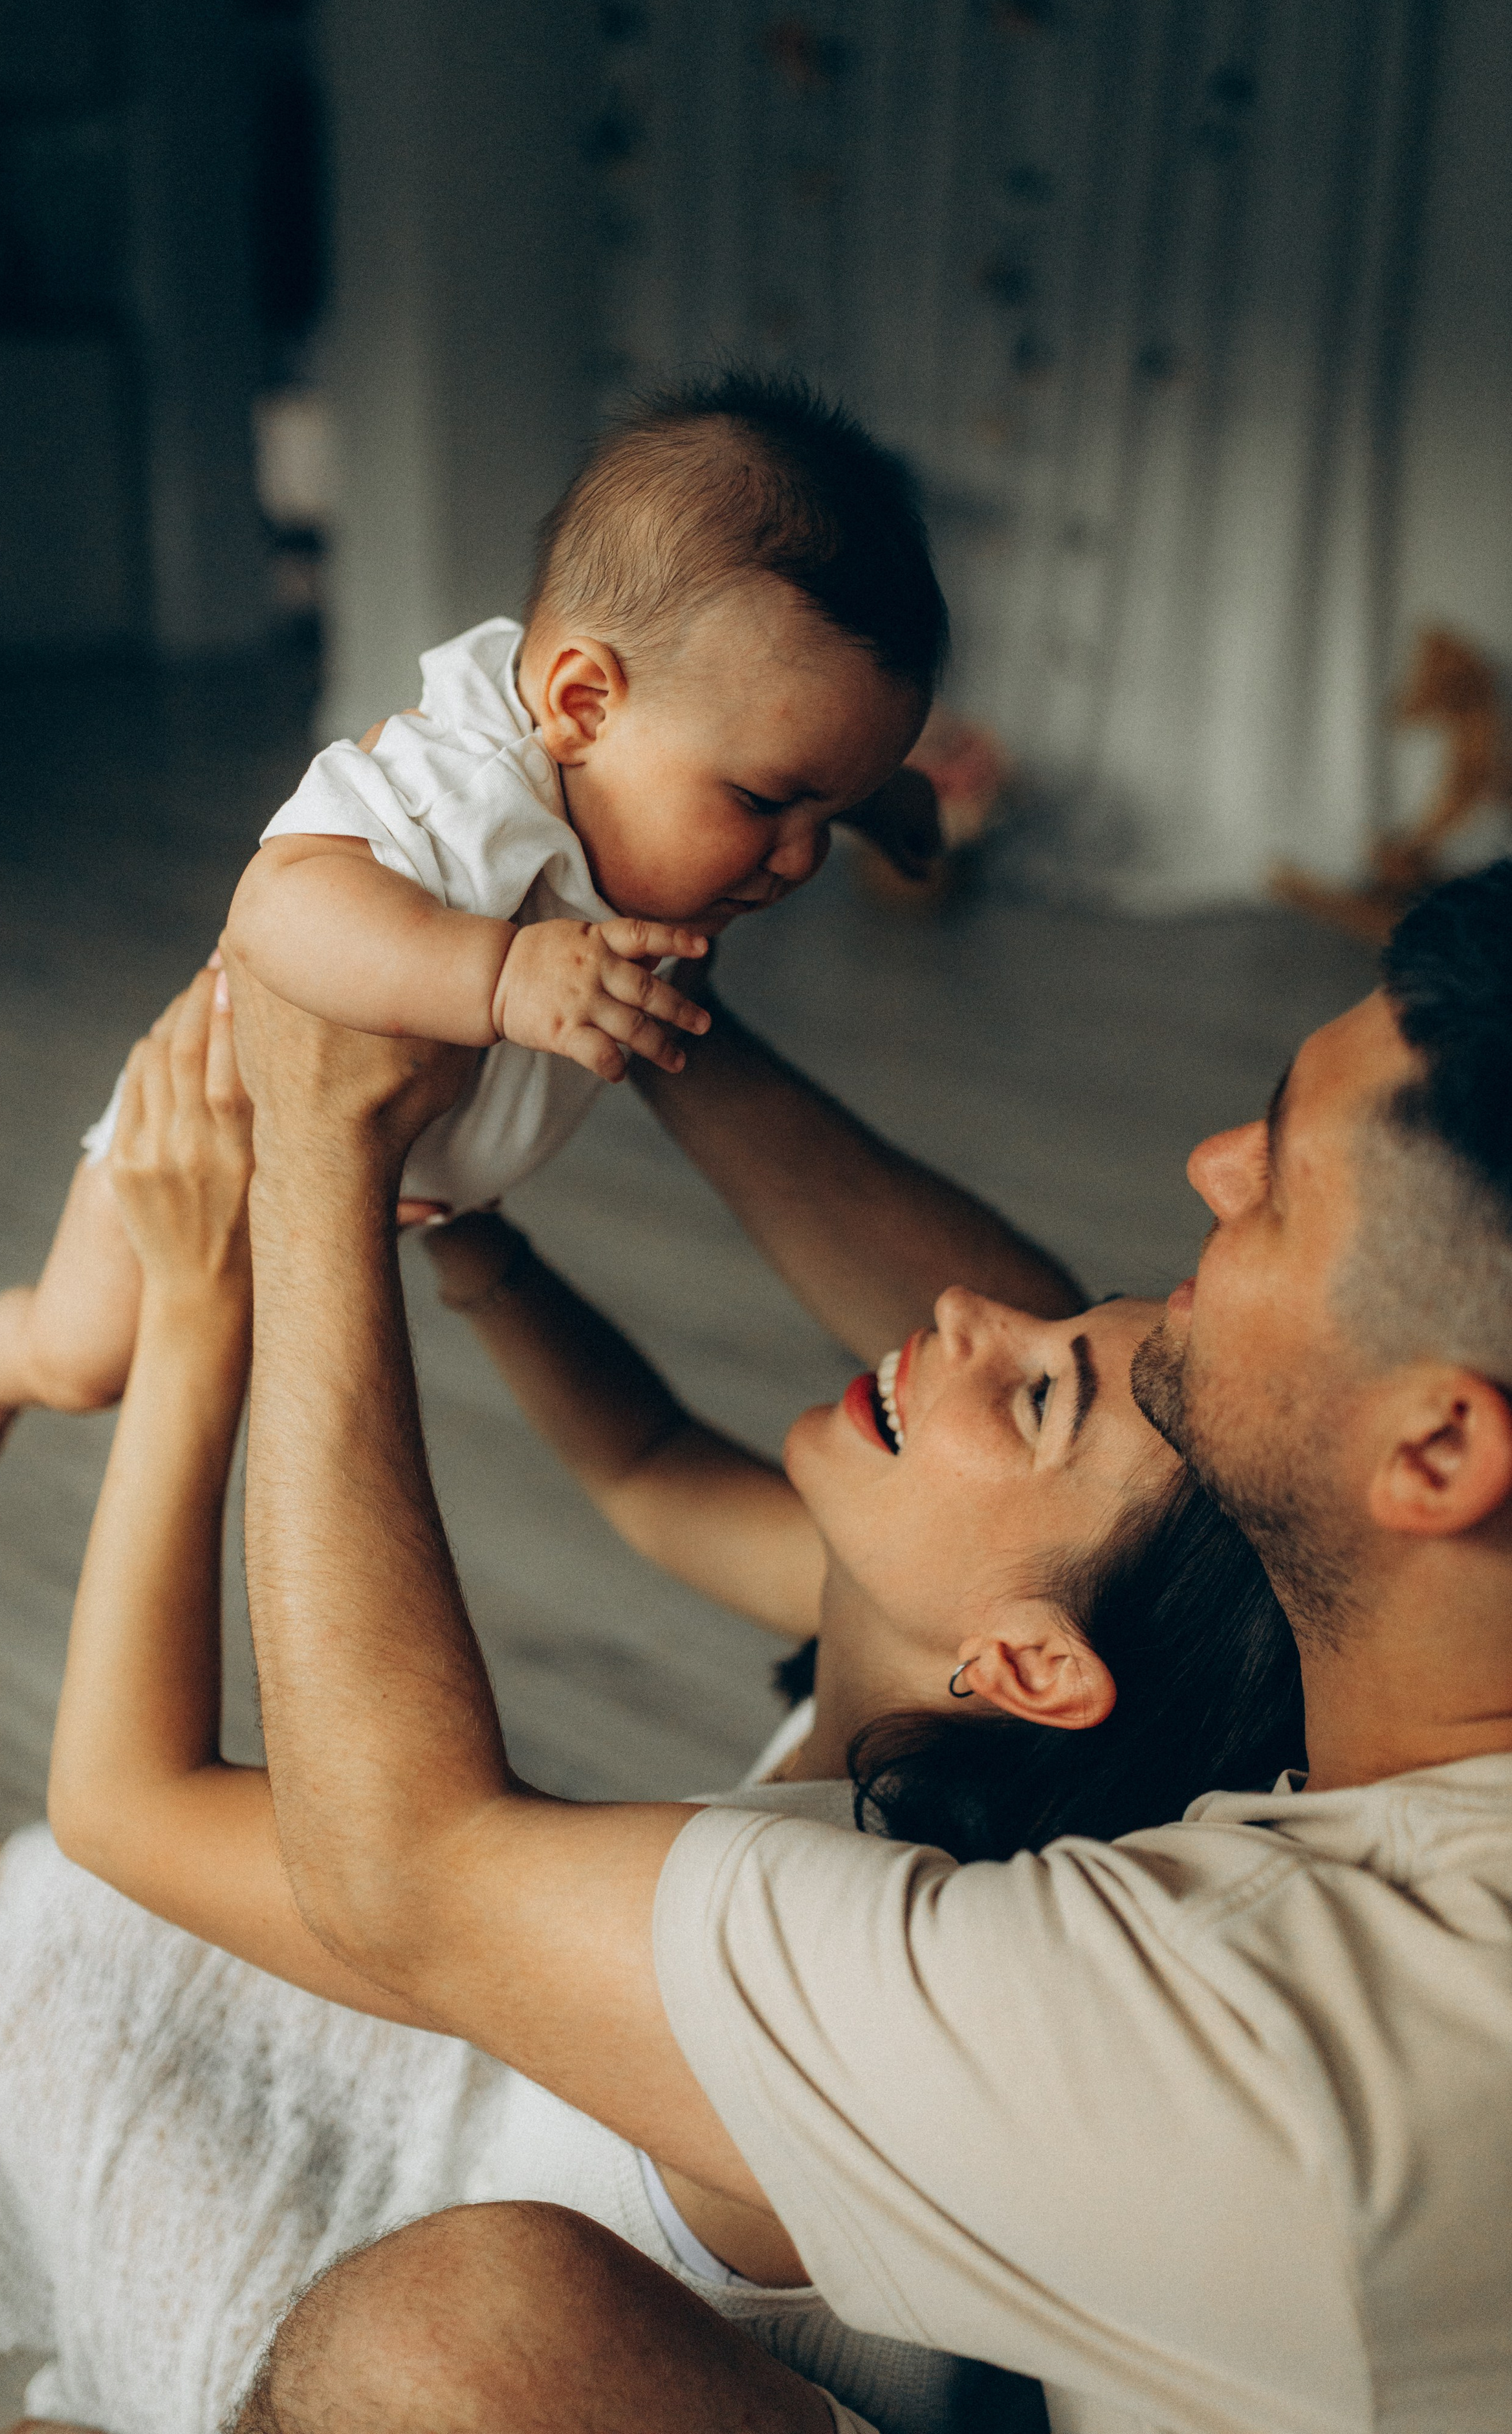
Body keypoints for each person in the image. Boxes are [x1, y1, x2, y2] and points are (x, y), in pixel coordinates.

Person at [0, 968, 1300, 2434]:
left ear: (1031, 1666)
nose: (968, 1312)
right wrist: (488, 1250)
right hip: (491, 2147)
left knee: (41, 2009)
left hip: (424, 2310)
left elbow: (126, 1803)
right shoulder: (957, 1672)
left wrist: (210, 1293)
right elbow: (643, 1463)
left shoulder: (848, 1933)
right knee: (111, 1911)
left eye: (1040, 1393)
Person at [197, 859, 1511, 2433]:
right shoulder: (1285, 1652)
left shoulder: (1248, 2045)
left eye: (1281, 1185)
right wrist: (637, 994)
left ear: (1435, 1459)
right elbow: (1059, 1404)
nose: (1210, 1165)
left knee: (440, 2347)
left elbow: (399, 1872)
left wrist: (314, 1151)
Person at [0, 369, 947, 1535]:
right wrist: (494, 974)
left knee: (256, 1367)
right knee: (89, 1362)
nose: (796, 860)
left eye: (824, 807)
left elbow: (779, 740)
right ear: (583, 705)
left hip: (376, 1187)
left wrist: (868, 797)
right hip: (212, 1143)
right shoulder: (461, 788)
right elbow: (275, 908)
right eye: (766, 801)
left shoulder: (672, 742)